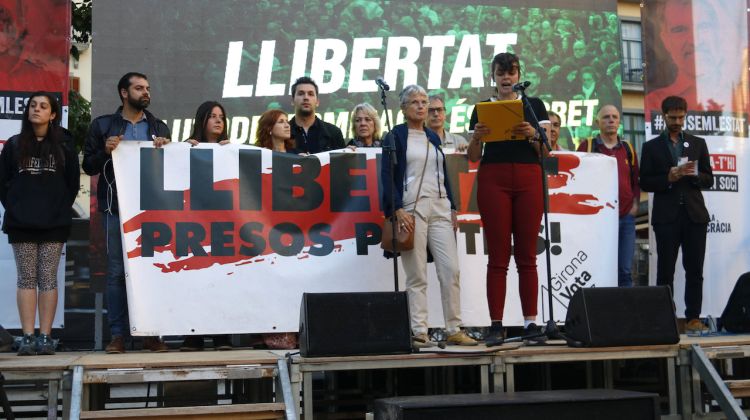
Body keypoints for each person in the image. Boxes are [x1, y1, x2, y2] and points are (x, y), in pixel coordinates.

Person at [381, 84, 476, 348]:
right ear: (403, 108)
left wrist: (453, 206)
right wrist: (396, 208)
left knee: (451, 270)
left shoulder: (433, 137)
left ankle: (454, 328)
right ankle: (418, 331)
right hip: (412, 208)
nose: (422, 106)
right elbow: (387, 175)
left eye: (424, 101)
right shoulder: (396, 136)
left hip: (440, 207)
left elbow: (442, 174)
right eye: (415, 102)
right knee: (417, 273)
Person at [82, 72, 171, 353]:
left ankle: (151, 332)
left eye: (148, 88)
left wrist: (167, 148)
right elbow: (88, 166)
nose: (146, 92)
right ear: (124, 93)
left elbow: (172, 170)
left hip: (152, 210)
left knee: (152, 271)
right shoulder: (103, 125)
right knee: (117, 273)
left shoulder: (159, 126)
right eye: (139, 88)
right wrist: (106, 152)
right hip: (116, 208)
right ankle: (118, 335)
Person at [467, 52, 550, 342]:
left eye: (511, 72)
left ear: (518, 76)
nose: (506, 78)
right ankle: (496, 324)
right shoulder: (481, 108)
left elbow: (546, 152)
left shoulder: (534, 105)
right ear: (493, 77)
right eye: (501, 73)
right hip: (493, 178)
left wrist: (533, 134)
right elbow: (474, 157)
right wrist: (477, 137)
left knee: (527, 255)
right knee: (498, 256)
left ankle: (530, 323)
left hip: (529, 178)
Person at [0, 92, 79, 356]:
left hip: (54, 222)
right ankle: (27, 336)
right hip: (21, 222)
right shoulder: (13, 145)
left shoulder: (65, 145)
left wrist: (57, 208)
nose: (37, 109)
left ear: (53, 114)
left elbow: (72, 185)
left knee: (47, 277)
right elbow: (3, 184)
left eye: (43, 106)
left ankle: (46, 336)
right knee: (26, 278)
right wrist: (16, 206)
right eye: (33, 105)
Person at [639, 96, 713, 332]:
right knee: (665, 270)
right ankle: (665, 318)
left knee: (695, 269)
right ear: (663, 116)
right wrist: (668, 179)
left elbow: (709, 179)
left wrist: (694, 176)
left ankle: (693, 318)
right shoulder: (651, 146)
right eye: (673, 117)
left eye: (681, 117)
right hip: (666, 217)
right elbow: (645, 181)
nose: (677, 121)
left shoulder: (698, 143)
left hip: (695, 216)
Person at [180, 101, 233, 351]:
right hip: (194, 225)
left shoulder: (231, 149)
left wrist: (233, 152)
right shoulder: (186, 147)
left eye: (221, 116)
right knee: (194, 279)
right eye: (212, 116)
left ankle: (222, 336)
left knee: (222, 279)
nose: (218, 120)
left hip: (223, 224)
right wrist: (181, 151)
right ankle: (194, 336)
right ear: (202, 120)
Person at [577, 105, 639, 287]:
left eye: (614, 117)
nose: (611, 120)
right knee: (598, 267)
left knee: (625, 271)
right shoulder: (587, 146)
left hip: (626, 217)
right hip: (598, 219)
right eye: (606, 117)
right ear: (598, 122)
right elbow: (578, 179)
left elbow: (636, 179)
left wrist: (635, 204)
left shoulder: (628, 148)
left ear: (619, 121)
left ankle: (626, 313)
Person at [288, 76, 345, 154]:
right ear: (292, 101)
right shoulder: (281, 134)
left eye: (310, 94)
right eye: (301, 94)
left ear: (317, 102)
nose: (306, 97)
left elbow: (343, 164)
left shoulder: (334, 133)